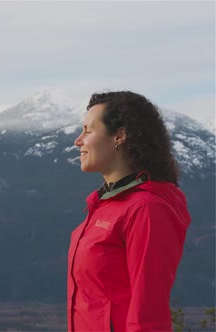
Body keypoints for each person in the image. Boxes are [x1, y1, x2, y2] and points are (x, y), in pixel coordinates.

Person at [67, 91, 191, 332]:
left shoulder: (146, 208)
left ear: (120, 136)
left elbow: (149, 311)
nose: (78, 140)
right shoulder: (104, 205)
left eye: (88, 130)